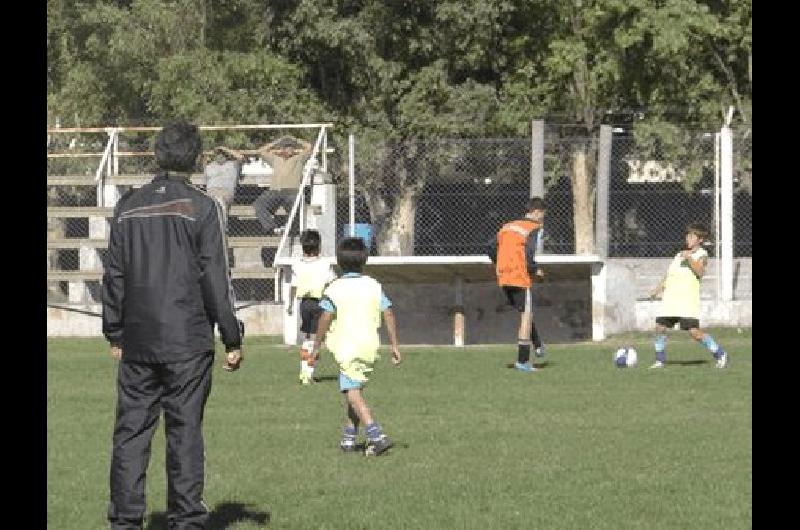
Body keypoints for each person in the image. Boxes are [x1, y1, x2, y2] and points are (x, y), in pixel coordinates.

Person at [102, 119, 244, 529]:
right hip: (188, 341)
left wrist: (115, 331)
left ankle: (125, 522)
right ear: (197, 158)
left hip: (139, 340)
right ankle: (186, 520)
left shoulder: (127, 206)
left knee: (130, 433)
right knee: (184, 432)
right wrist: (232, 338)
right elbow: (216, 278)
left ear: (155, 155)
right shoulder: (202, 208)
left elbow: (114, 275)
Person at [311, 237, 402, 456]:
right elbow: (388, 311)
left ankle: (376, 435)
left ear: (340, 262)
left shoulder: (335, 288)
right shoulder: (373, 285)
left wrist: (317, 344)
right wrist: (394, 344)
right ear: (364, 261)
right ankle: (349, 438)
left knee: (352, 393)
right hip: (370, 346)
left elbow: (326, 316)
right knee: (355, 390)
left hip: (347, 347)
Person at [648, 222, 728, 369]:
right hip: (671, 300)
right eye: (688, 235)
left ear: (700, 239)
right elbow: (669, 274)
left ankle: (720, 354)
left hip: (687, 301)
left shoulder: (701, 254)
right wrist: (658, 289)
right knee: (659, 327)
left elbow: (700, 272)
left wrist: (690, 258)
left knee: (695, 333)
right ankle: (660, 360)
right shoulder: (679, 255)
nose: (688, 238)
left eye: (692, 236)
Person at [487, 197, 547, 372]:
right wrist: (536, 270)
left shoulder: (508, 226)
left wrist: (501, 263)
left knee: (525, 312)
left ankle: (538, 345)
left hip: (503, 274)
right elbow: (528, 254)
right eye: (542, 215)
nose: (542, 219)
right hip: (519, 275)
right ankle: (522, 361)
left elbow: (490, 247)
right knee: (526, 315)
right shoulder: (534, 228)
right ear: (537, 212)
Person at [216, 136, 313, 234]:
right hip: (274, 191)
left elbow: (309, 147)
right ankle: (272, 228)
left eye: (291, 147)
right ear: (282, 149)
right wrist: (277, 141)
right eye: (286, 147)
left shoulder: (299, 158)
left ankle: (289, 227)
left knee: (296, 204)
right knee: (258, 204)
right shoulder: (275, 159)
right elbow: (261, 151)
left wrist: (295, 139)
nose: (289, 149)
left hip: (291, 190)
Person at [286, 229, 337, 384]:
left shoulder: (297, 264)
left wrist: (290, 303)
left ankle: (305, 371)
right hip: (320, 302)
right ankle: (308, 372)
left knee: (308, 337)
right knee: (316, 340)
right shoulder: (324, 264)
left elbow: (293, 286)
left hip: (305, 304)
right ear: (318, 247)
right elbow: (331, 282)